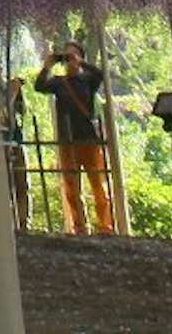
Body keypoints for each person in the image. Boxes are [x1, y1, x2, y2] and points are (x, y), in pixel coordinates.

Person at [36, 42, 115, 234]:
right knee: (71, 187)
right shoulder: (59, 82)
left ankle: (105, 226)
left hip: (88, 138)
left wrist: (82, 64)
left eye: (73, 56)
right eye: (67, 57)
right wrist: (47, 66)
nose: (69, 61)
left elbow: (101, 75)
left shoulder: (88, 80)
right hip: (67, 139)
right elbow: (40, 87)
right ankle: (79, 225)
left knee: (98, 185)